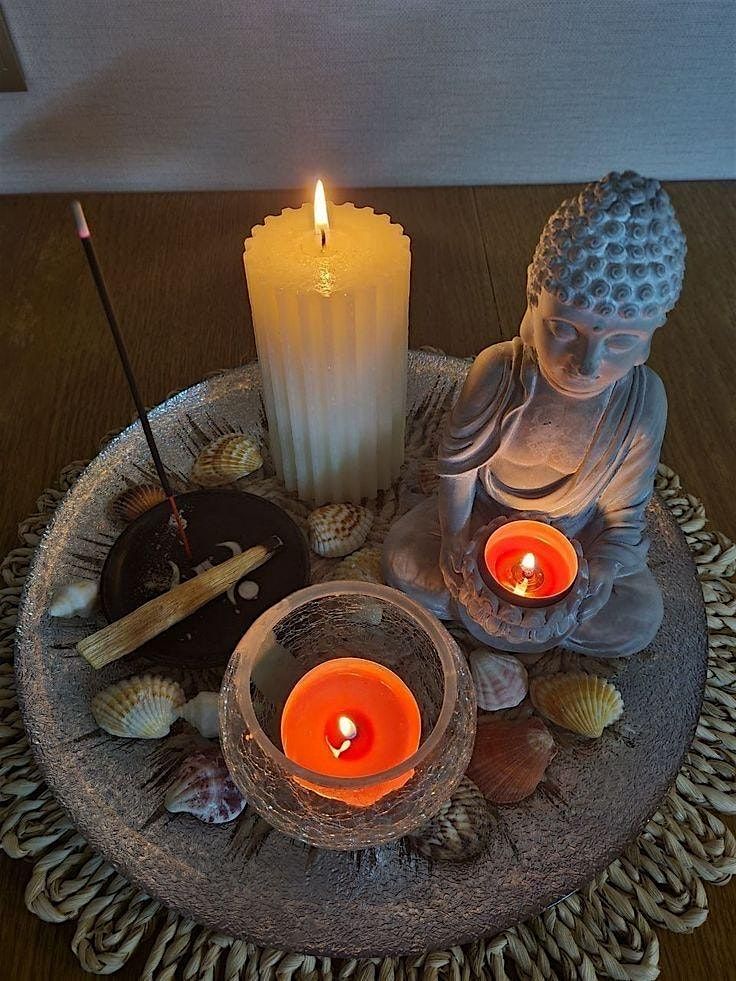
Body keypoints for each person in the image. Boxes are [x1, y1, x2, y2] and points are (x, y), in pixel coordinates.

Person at [383, 171, 686, 657]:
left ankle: (499, 618)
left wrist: (603, 567)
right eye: (565, 330)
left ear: (649, 338)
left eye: (620, 342)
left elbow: (623, 514)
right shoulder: (501, 372)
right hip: (483, 512)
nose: (586, 364)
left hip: (576, 533)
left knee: (636, 618)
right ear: (532, 299)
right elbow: (458, 471)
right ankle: (532, 628)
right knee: (406, 559)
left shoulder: (642, 401)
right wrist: (455, 535)